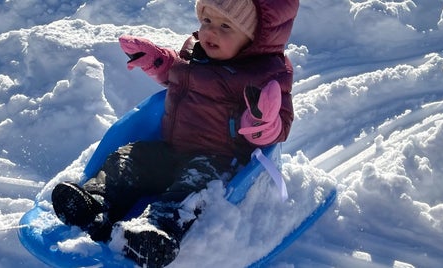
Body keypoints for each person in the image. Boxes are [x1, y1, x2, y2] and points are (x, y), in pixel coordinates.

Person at [52, 0, 298, 266]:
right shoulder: (196, 51)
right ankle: (95, 204)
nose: (210, 32)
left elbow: (279, 124)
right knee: (130, 158)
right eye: (207, 21)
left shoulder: (264, 75)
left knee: (192, 188)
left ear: (253, 37)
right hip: (172, 149)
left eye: (226, 25)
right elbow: (179, 73)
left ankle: (156, 230)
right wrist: (158, 61)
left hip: (219, 162)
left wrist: (262, 123)